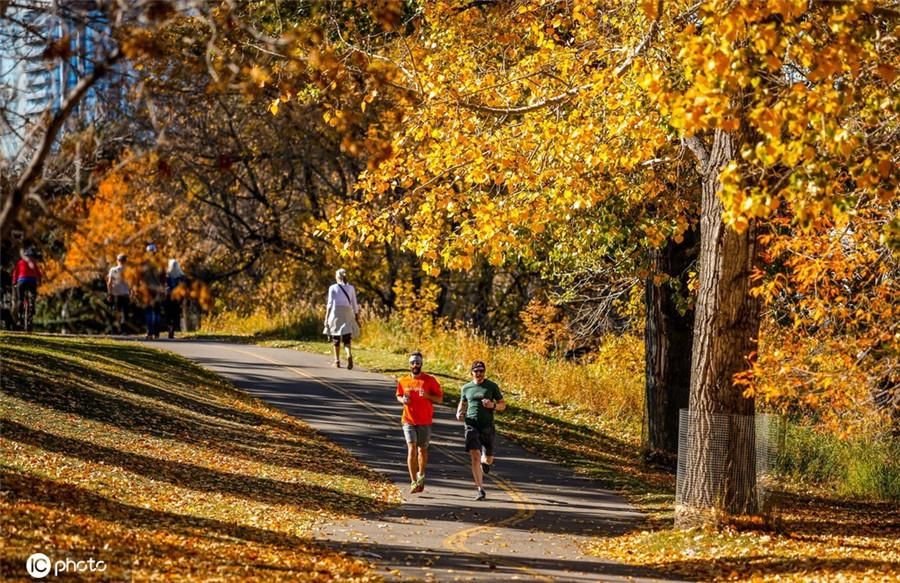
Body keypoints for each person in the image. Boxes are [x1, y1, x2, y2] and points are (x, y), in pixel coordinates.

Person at [456, 360, 506, 501]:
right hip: (471, 424)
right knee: (475, 456)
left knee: (488, 458)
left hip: (487, 426)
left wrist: (493, 405)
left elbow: (503, 405)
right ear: (471, 372)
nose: (479, 373)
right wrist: (459, 412)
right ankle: (480, 489)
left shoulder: (491, 386)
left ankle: (486, 463)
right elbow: (463, 402)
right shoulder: (466, 388)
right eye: (476, 371)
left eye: (481, 371)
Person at [396, 351, 443, 494]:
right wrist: (402, 400)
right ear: (409, 365)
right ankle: (413, 481)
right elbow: (399, 395)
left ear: (421, 363)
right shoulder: (403, 381)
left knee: (422, 450)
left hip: (425, 421)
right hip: (408, 420)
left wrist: (427, 395)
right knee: (412, 448)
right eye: (412, 363)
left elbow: (439, 399)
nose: (415, 365)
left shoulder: (430, 380)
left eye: (417, 362)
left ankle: (421, 475)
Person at [322, 268, 360, 368]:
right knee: (347, 337)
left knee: (336, 337)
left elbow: (329, 304)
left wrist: (326, 318)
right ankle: (349, 355)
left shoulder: (332, 288)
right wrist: (356, 316)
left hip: (336, 312)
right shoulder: (351, 288)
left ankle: (337, 361)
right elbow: (354, 304)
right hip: (347, 311)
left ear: (337, 277)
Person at [11, 247, 42, 331]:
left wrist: (14, 283)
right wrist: (39, 282)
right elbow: (39, 274)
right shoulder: (33, 263)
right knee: (33, 296)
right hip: (32, 281)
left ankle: (20, 316)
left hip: (21, 281)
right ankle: (32, 307)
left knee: (20, 299)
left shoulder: (20, 262)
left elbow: (15, 273)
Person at [139, 243, 165, 339]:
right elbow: (163, 278)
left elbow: (140, 277)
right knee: (157, 312)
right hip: (157, 290)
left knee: (149, 311)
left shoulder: (144, 263)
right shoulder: (160, 264)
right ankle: (156, 333)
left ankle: (150, 332)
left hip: (147, 290)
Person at [107, 253, 130, 334]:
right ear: (125, 261)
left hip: (116, 294)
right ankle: (124, 331)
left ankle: (115, 330)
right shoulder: (128, 270)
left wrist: (109, 293)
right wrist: (133, 292)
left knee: (116, 312)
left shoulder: (113, 270)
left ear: (117, 260)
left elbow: (109, 283)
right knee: (124, 313)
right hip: (125, 294)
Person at [164, 258, 186, 339]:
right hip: (178, 297)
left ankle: (170, 327)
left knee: (168, 313)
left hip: (168, 296)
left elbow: (164, 285)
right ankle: (173, 327)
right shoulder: (181, 275)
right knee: (176, 313)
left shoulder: (167, 275)